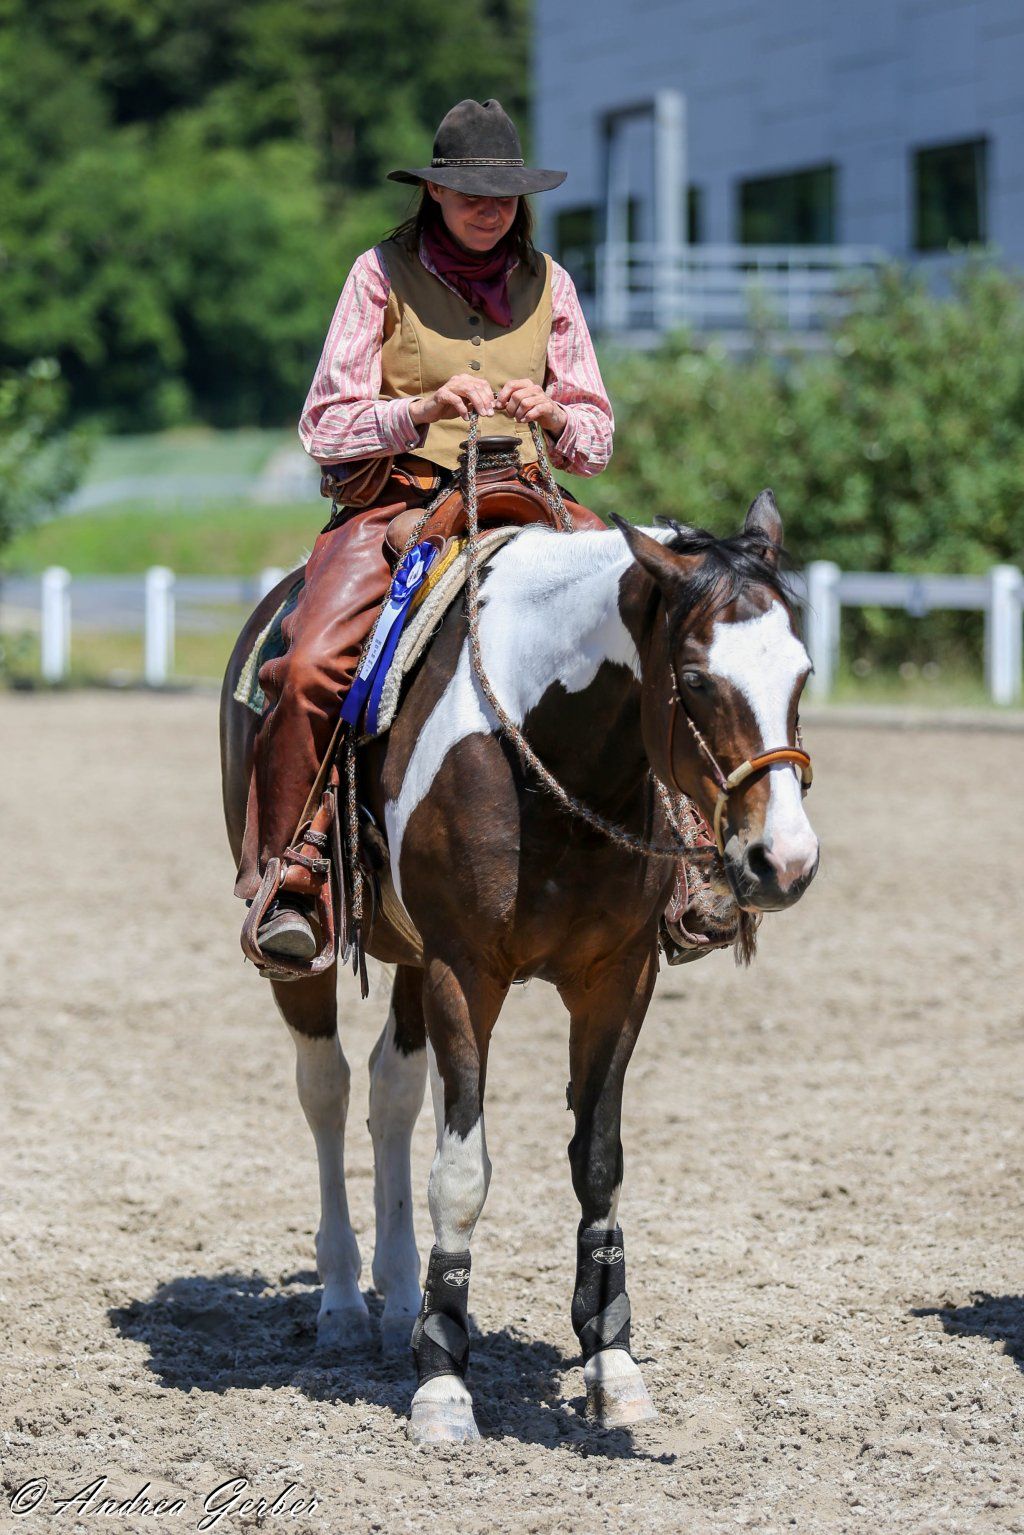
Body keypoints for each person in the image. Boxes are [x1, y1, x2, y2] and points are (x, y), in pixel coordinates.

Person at [235, 98, 613, 961]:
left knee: (654, 616)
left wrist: (554, 415)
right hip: (399, 504)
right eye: (471, 193)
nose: (490, 209)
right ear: (435, 193)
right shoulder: (377, 275)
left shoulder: (554, 285)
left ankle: (687, 864)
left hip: (526, 496)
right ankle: (300, 873)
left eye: (505, 195)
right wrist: (419, 410)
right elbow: (323, 425)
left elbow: (597, 441)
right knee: (305, 667)